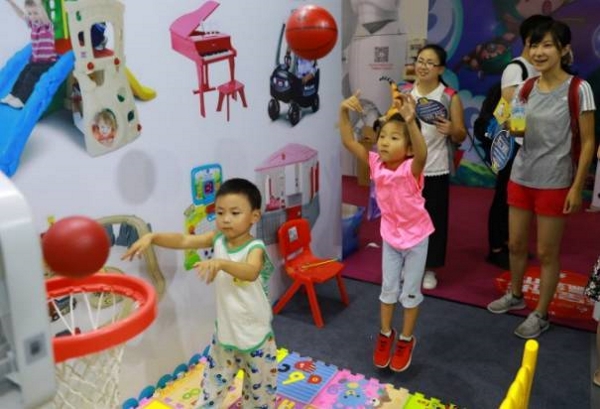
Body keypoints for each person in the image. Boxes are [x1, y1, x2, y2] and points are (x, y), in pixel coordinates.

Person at [122, 178, 278, 408]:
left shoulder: (255, 248)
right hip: (226, 333)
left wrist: (221, 264)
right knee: (212, 387)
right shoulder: (217, 238)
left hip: (255, 336)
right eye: (220, 212)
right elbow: (184, 240)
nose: (226, 219)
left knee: (258, 395)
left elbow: (251, 271)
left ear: (254, 216)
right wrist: (153, 237)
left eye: (235, 213)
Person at [487, 19, 596, 339]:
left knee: (547, 253)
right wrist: (508, 122)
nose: (538, 52)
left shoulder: (579, 89)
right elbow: (517, 129)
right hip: (521, 176)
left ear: (564, 49)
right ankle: (515, 294)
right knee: (516, 244)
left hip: (555, 181)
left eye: (547, 45)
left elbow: (589, 141)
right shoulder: (526, 88)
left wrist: (577, 186)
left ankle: (541, 313)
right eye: (534, 45)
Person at [339, 88, 433, 372]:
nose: (384, 142)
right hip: (391, 237)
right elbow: (348, 140)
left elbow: (423, 153)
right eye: (382, 137)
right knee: (387, 290)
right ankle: (385, 334)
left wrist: (411, 121)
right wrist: (343, 111)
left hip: (416, 238)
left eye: (394, 138)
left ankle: (405, 338)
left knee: (410, 293)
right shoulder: (375, 164)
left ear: (408, 148)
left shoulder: (412, 169)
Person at [486, 14, 553, 270]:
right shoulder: (517, 68)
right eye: (540, 41)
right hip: (511, 141)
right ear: (528, 40)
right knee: (503, 195)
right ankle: (496, 247)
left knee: (517, 198)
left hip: (527, 142)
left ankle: (510, 242)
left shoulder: (538, 68)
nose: (543, 48)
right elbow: (513, 104)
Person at [404, 44, 467, 289]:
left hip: (436, 168)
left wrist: (452, 129)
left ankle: (430, 268)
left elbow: (461, 134)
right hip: (408, 170)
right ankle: (408, 263)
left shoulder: (449, 96)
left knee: (433, 220)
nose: (423, 66)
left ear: (440, 69)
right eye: (420, 60)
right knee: (407, 218)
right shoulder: (405, 92)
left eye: (430, 63)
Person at [1, 0, 57, 109]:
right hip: (35, 61)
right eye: (30, 13)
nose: (33, 16)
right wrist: (11, 3)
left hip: (46, 63)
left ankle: (22, 100)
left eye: (35, 13)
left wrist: (39, 4)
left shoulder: (47, 25)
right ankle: (13, 94)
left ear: (41, 11)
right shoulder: (33, 24)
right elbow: (21, 14)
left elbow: (43, 14)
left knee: (31, 75)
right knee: (23, 73)